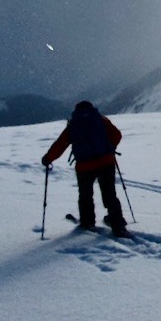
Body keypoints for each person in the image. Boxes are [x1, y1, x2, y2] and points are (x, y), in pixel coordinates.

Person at [42, 100, 129, 237]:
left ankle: (88, 222)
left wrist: (48, 158)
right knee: (109, 194)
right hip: (106, 162)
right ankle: (117, 224)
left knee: (85, 195)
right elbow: (117, 135)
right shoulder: (101, 119)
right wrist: (110, 148)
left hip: (84, 166)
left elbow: (61, 144)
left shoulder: (73, 124)